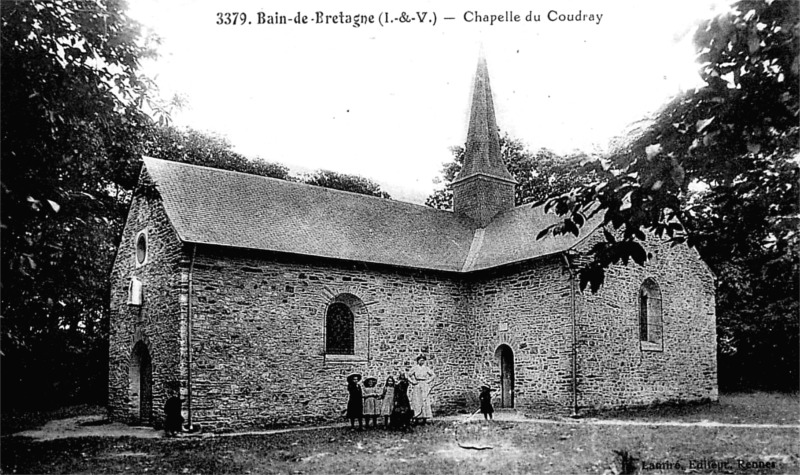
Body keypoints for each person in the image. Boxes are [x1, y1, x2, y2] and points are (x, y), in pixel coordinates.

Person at [408, 355, 435, 424]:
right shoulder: (415, 368)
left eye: (423, 360)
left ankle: (425, 417)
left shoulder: (426, 368)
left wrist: (428, 381)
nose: (421, 361)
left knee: (424, 400)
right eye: (420, 360)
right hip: (417, 385)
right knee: (417, 401)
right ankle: (417, 417)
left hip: (424, 385)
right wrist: (413, 382)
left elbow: (433, 375)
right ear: (417, 361)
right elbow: (408, 375)